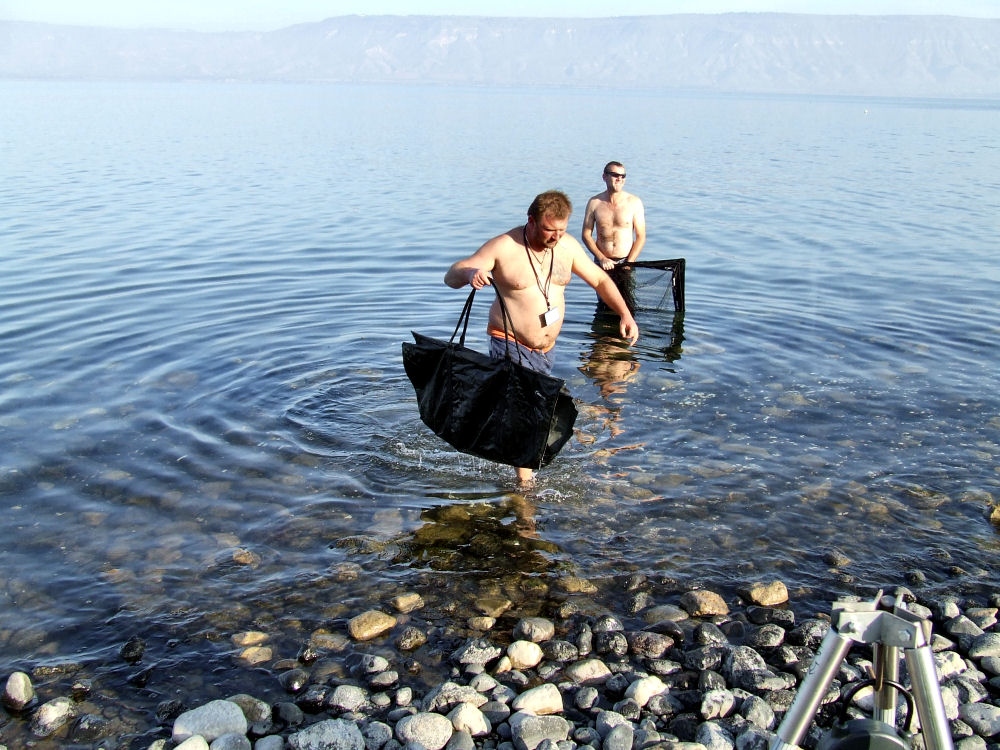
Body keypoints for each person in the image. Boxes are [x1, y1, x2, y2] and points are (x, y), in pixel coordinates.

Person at [445, 189, 639, 484]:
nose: (555, 237)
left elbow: (600, 279)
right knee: (525, 412)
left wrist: (625, 314)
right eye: (550, 230)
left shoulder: (567, 247)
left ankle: (511, 447)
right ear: (531, 221)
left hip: (546, 350)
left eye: (561, 230)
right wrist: (471, 272)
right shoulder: (505, 246)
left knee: (541, 410)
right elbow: (452, 275)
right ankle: (525, 487)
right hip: (509, 341)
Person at [581, 161, 646, 311]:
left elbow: (641, 236)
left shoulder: (634, 202)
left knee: (625, 305)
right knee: (604, 303)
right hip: (602, 262)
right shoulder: (594, 203)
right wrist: (601, 257)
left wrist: (629, 263)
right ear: (604, 177)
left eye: (623, 176)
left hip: (625, 262)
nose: (619, 179)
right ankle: (603, 332)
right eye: (615, 175)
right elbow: (586, 234)